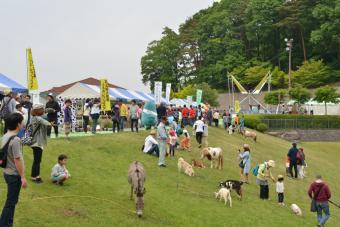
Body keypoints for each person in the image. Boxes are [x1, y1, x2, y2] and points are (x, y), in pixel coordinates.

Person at [0, 113, 27, 227]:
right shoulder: (15, 140)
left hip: (7, 172)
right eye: (21, 122)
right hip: (14, 175)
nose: (22, 124)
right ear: (18, 124)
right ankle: (4, 224)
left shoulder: (5, 135)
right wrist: (23, 177)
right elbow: (17, 160)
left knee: (12, 201)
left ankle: (8, 223)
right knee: (11, 202)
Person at [30, 104, 52, 183]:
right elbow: (46, 122)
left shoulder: (34, 117)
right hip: (37, 142)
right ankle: (34, 177)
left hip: (37, 142)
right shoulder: (38, 118)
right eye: (42, 109)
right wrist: (50, 124)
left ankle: (37, 176)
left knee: (38, 160)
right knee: (37, 160)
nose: (43, 110)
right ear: (38, 110)